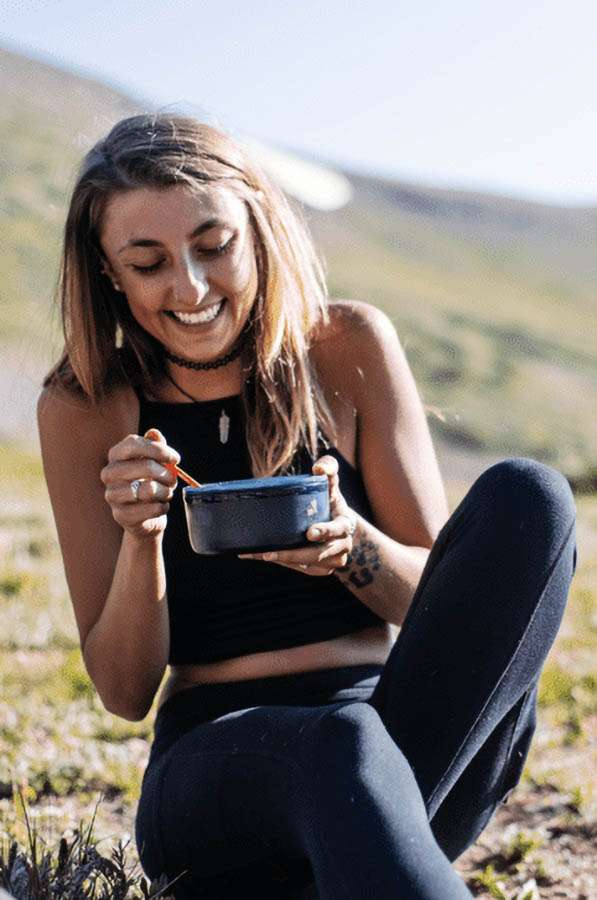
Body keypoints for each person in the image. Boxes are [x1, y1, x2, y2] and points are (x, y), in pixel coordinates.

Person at [38, 113, 577, 900]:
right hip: (217, 773)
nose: (188, 287)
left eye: (214, 246)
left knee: (528, 499)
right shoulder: (86, 405)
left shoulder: (346, 346)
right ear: (108, 275)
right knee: (337, 746)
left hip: (409, 739)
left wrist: (349, 547)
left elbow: (442, 607)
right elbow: (123, 691)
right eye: (147, 262)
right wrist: (140, 536)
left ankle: (358, 860)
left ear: (257, 230)